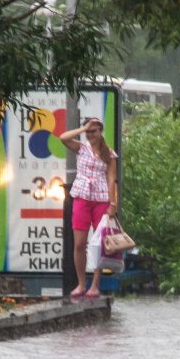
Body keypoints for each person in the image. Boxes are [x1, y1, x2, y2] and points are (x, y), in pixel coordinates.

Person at [59, 117, 119, 299]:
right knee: (79, 243)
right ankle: (81, 283)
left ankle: (95, 284)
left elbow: (111, 179)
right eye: (88, 131)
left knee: (99, 243)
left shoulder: (109, 154)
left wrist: (113, 203)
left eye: (94, 131)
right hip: (82, 196)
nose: (90, 135)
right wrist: (82, 128)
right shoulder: (82, 147)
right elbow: (63, 137)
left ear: (101, 132)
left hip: (101, 198)